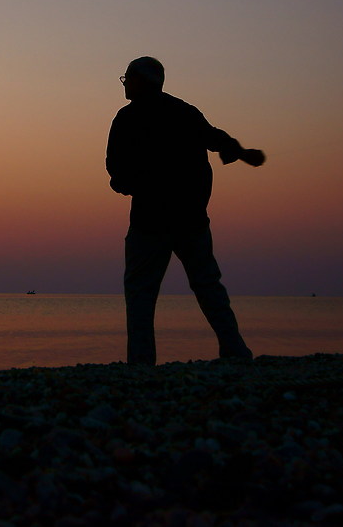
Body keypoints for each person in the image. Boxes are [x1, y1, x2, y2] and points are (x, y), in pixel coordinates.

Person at [105, 56, 265, 365]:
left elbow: (115, 168)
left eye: (127, 79)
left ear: (142, 81)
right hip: (190, 218)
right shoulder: (184, 112)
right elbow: (215, 138)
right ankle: (236, 352)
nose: (125, 84)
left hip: (150, 221)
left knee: (141, 291)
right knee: (207, 285)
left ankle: (141, 362)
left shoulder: (128, 118)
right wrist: (243, 153)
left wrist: (126, 184)